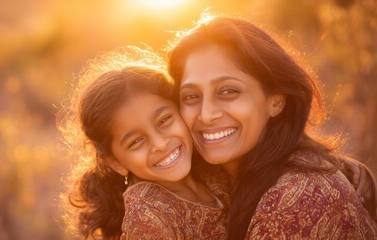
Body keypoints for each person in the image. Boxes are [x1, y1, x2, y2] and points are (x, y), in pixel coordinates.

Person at [167, 15, 377, 239]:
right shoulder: (215, 178)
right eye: (191, 96)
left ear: (275, 101)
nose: (207, 115)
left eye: (228, 91)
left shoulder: (297, 199)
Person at [58, 47, 228, 239]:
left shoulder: (210, 162)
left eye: (164, 120)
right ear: (115, 162)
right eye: (136, 141)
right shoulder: (146, 218)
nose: (160, 144)